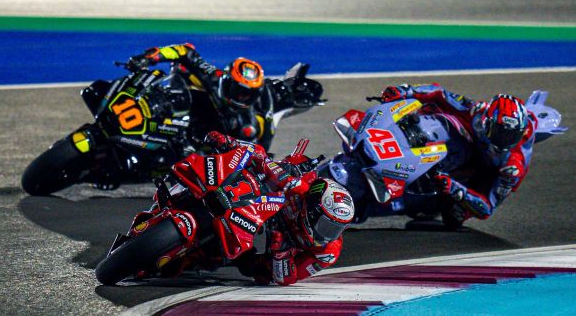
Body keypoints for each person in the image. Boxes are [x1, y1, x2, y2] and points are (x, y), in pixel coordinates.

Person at [203, 131, 354, 285]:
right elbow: (263, 158)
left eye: (337, 229)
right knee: (250, 163)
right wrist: (231, 142)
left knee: (259, 271)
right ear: (312, 211)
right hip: (257, 205)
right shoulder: (299, 188)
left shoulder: (328, 252)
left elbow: (288, 278)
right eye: (326, 225)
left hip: (271, 248)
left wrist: (282, 252)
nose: (329, 235)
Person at [380, 83, 534, 226]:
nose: (504, 141)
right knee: (432, 112)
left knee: (454, 216)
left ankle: (416, 201)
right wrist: (405, 91)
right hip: (470, 145)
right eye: (500, 133)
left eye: (512, 136)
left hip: (487, 171)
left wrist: (455, 189)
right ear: (487, 122)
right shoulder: (477, 111)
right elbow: (440, 93)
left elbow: (487, 208)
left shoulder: (512, 168)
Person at [126, 43, 267, 143]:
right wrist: (151, 57)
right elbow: (186, 51)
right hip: (187, 115)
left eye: (248, 94)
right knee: (183, 74)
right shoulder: (214, 76)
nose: (241, 97)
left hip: (206, 147)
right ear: (227, 80)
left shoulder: (248, 124)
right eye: (238, 90)